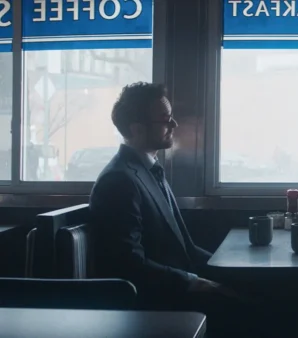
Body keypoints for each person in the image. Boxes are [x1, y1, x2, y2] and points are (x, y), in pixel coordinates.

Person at [89, 82, 271, 337]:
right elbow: (128, 265)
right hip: (158, 301)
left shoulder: (147, 170)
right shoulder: (118, 181)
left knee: (263, 293)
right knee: (262, 312)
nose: (174, 124)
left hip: (175, 286)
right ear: (137, 129)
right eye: (165, 119)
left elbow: (185, 248)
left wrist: (231, 271)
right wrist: (194, 282)